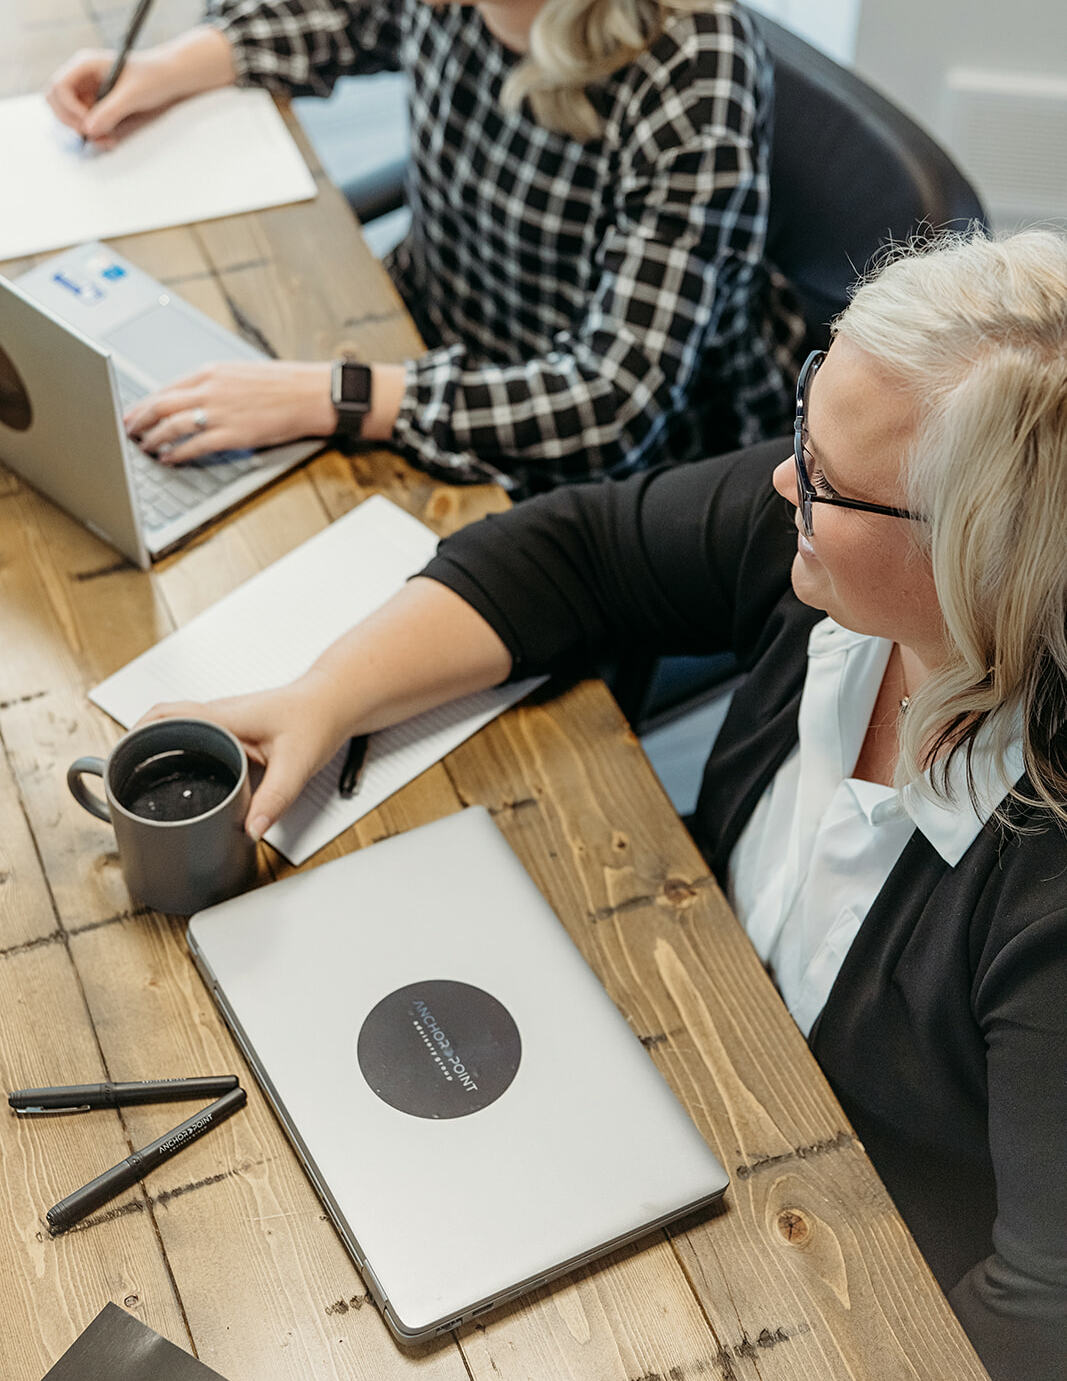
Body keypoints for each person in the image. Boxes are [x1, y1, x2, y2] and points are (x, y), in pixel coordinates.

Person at [137, 227, 1067, 1380]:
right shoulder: (835, 557)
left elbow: (1033, 1321)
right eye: (799, 427)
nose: (782, 479)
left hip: (832, 1258)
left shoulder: (1043, 887)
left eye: (825, 480)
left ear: (982, 558)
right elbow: (581, 550)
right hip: (678, 1049)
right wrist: (322, 697)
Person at [45, 0, 804, 497]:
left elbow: (612, 406)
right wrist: (164, 70)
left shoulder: (692, 63)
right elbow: (341, 16)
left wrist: (330, 396)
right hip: (422, 344)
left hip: (595, 453)